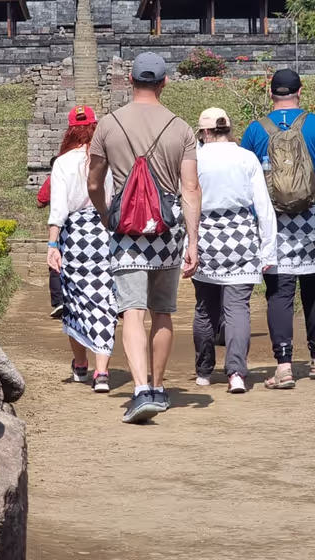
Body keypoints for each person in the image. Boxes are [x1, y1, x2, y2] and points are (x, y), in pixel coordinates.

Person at [88, 53, 201, 423]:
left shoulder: (107, 124)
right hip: (168, 231)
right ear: (164, 82)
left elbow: (93, 182)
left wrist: (106, 213)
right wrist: (194, 241)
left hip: (127, 232)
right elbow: (191, 188)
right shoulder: (181, 128)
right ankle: (158, 386)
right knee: (163, 311)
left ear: (130, 81)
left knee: (131, 311)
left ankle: (139, 391)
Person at [241, 69, 315, 389]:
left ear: (270, 92)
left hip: (273, 219)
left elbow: (248, 181)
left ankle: (284, 366)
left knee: (279, 292)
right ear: (300, 91)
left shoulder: (255, 130)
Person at [192, 107, 277, 394]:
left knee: (205, 307)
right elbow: (263, 206)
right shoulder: (246, 157)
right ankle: (237, 372)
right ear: (227, 129)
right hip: (241, 235)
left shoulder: (195, 158)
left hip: (204, 235)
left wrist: (185, 246)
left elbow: (184, 202)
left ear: (204, 132)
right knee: (238, 308)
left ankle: (204, 371)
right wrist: (268, 250)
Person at [47, 106, 116, 392]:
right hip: (105, 232)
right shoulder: (106, 158)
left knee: (75, 301)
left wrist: (52, 243)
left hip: (74, 235)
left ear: (70, 130)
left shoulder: (63, 162)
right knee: (104, 302)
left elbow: (59, 207)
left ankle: (80, 363)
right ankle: (102, 373)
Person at [37, 156, 62, 319]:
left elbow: (40, 202)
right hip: (87, 227)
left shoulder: (53, 180)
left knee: (55, 265)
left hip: (59, 228)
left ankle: (59, 302)